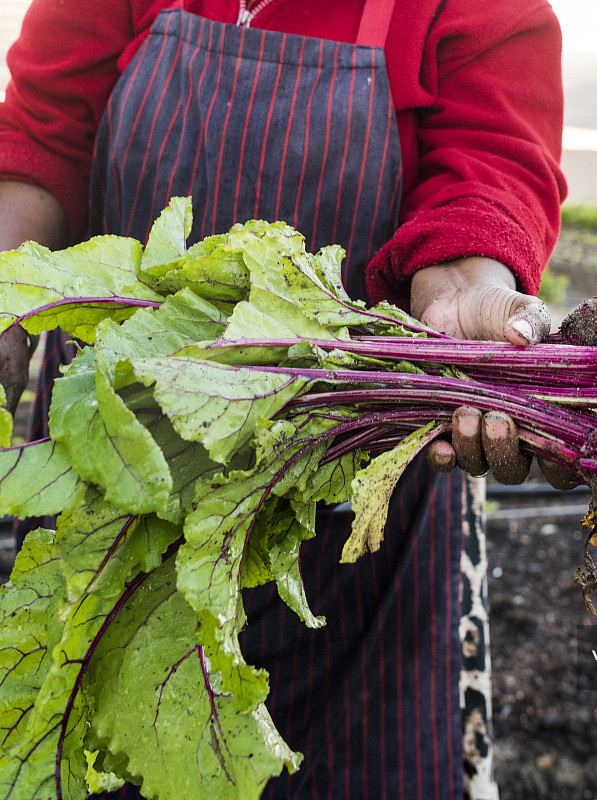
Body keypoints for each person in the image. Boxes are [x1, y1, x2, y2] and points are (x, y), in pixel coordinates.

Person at [0, 0, 566, 797]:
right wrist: (10, 293)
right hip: (117, 486)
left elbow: (486, 183)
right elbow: (41, 140)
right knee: (85, 739)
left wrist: (468, 314)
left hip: (358, 536)